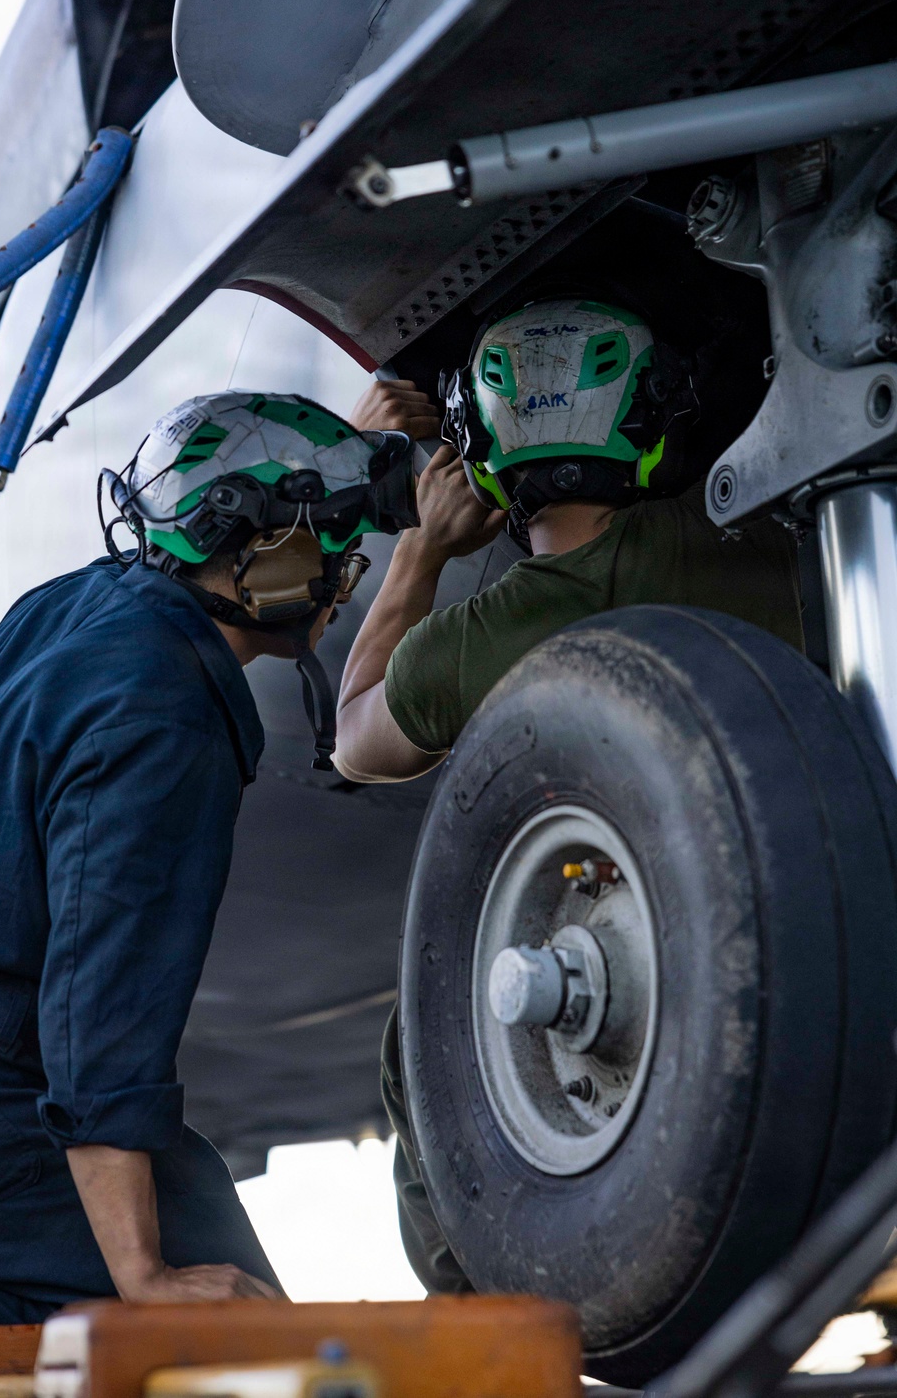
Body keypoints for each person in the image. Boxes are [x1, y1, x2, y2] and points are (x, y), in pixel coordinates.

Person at [0, 379, 433, 1328]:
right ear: (270, 559)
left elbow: (231, 521)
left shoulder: (67, 607)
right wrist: (144, 1276)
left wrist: (326, 462)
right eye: (334, 546)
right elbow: (100, 1009)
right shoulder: (165, 714)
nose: (341, 571)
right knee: (226, 1326)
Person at [332, 297, 804, 1291]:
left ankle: (481, 1336)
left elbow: (357, 743)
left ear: (481, 453)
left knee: (419, 1044)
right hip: (825, 919)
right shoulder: (767, 547)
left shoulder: (478, 640)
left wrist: (421, 546)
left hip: (650, 996)